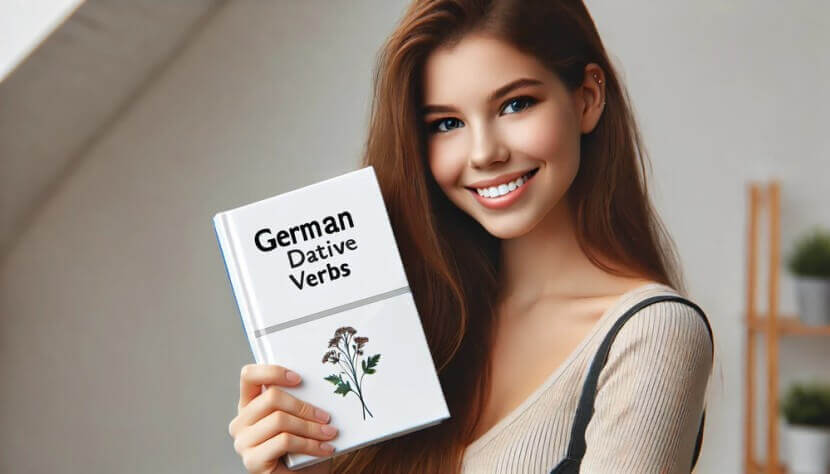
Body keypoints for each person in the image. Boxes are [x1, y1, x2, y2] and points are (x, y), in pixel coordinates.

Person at [228, 0, 716, 472]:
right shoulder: (425, 324)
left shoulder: (653, 335)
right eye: (447, 123)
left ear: (587, 98)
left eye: (515, 104)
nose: (484, 153)